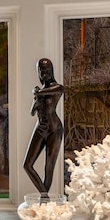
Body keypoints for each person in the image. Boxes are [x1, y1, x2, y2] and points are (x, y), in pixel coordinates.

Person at [23, 58, 64, 195]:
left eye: (47, 70)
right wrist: (36, 98)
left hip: (54, 129)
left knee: (49, 166)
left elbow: (52, 91)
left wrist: (37, 93)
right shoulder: (40, 91)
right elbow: (32, 112)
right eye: (42, 70)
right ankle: (44, 195)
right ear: (38, 72)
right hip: (40, 128)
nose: (44, 72)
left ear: (51, 71)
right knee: (27, 165)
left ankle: (44, 200)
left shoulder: (56, 87)